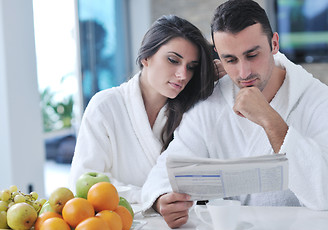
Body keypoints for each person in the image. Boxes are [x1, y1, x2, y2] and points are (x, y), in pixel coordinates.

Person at [141, 0, 328, 229]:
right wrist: (163, 199)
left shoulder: (320, 101)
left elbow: (326, 194)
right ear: (218, 55)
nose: (243, 72)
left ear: (274, 43)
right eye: (230, 60)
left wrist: (270, 120)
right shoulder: (210, 102)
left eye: (252, 55)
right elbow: (166, 170)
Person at [69, 15, 217, 204]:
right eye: (173, 60)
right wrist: (151, 198)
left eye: (191, 67)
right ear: (146, 56)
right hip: (122, 227)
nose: (183, 75)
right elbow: (83, 183)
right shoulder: (105, 106)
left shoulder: (191, 110)